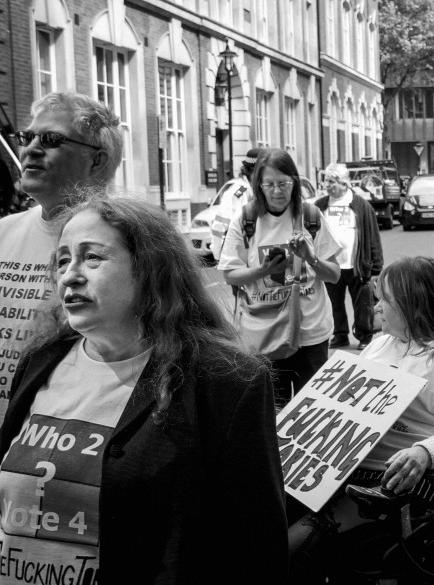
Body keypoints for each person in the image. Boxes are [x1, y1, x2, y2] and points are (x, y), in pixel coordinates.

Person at [0, 197, 287, 583]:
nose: (70, 275)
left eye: (92, 258)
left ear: (150, 269)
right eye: (63, 260)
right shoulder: (40, 359)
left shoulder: (224, 381)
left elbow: (256, 548)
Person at [288, 256, 434, 574]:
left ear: (414, 307)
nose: (375, 308)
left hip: (384, 483)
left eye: (385, 301)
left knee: (291, 546)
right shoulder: (379, 345)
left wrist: (424, 452)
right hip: (330, 468)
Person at [0, 92, 122, 426]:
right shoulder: (3, 233)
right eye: (28, 137)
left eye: (52, 139)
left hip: (64, 441)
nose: (31, 149)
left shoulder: (131, 243)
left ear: (96, 161)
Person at [217, 149, 342, 403]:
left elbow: (335, 275)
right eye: (269, 184)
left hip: (311, 335)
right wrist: (264, 271)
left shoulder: (311, 217)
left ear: (294, 183)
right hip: (265, 336)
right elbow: (230, 274)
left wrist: (310, 257)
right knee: (272, 415)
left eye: (283, 183)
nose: (277, 191)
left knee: (312, 412)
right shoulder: (246, 221)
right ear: (259, 185)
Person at [314, 163, 384, 350]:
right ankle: (340, 335)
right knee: (335, 304)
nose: (327, 185)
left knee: (363, 304)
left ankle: (364, 335)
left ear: (344, 183)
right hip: (331, 265)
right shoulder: (320, 206)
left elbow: (373, 236)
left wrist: (376, 266)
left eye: (331, 182)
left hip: (356, 265)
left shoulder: (361, 205)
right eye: (326, 181)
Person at [209, 147, 268, 256]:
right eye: (263, 171)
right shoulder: (238, 193)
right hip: (241, 254)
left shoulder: (263, 190)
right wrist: (218, 252)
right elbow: (221, 223)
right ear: (252, 171)